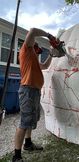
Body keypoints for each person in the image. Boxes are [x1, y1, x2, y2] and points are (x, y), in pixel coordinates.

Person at [12, 28, 59, 162]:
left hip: (35, 91)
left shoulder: (33, 59)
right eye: (36, 46)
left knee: (32, 119)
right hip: (27, 90)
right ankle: (16, 156)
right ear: (32, 45)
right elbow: (32, 31)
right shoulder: (26, 51)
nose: (38, 50)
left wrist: (51, 54)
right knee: (24, 121)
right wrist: (50, 36)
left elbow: (44, 66)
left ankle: (28, 144)